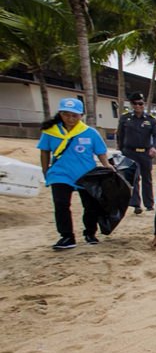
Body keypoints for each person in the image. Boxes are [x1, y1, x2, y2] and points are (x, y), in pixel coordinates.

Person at [37, 98, 115, 249]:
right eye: (66, 114)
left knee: (91, 205)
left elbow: (101, 152)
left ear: (81, 116)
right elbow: (44, 152)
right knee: (61, 204)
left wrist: (107, 166)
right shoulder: (50, 131)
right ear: (60, 113)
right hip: (60, 174)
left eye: (74, 115)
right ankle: (67, 236)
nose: (70, 118)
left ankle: (90, 232)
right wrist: (45, 170)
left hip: (86, 174)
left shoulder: (90, 132)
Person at [116, 91, 156, 214]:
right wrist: (121, 149)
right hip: (130, 152)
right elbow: (120, 134)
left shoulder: (151, 120)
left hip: (145, 153)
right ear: (131, 105)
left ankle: (149, 204)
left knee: (147, 178)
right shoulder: (125, 118)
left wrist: (154, 147)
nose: (138, 106)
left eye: (140, 103)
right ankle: (136, 204)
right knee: (134, 178)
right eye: (135, 104)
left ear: (144, 104)